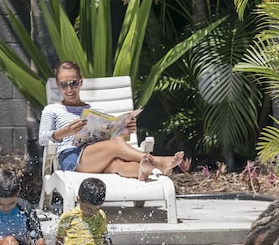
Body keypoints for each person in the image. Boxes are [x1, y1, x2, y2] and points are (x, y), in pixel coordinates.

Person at [38, 61, 190, 181]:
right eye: (64, 85)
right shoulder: (52, 110)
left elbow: (113, 137)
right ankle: (158, 161)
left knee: (117, 165)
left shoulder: (96, 111)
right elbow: (42, 139)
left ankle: (142, 171)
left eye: (73, 83)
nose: (69, 89)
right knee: (117, 143)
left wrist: (127, 129)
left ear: (81, 82)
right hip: (72, 157)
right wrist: (67, 131)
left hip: (97, 156)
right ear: (58, 85)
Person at [54, 178, 115, 245]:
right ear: (78, 200)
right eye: (89, 209)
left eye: (97, 209)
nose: (93, 213)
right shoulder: (69, 216)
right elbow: (59, 238)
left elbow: (105, 236)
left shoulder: (100, 215)